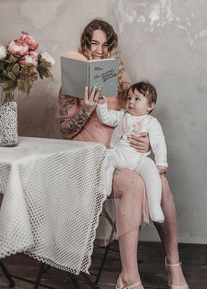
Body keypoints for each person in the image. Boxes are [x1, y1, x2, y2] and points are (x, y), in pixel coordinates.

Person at [57, 18, 189, 289]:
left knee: (161, 183)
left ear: (111, 48)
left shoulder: (122, 82)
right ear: (85, 44)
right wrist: (87, 107)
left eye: (105, 45)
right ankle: (128, 277)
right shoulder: (72, 84)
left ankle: (174, 264)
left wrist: (146, 144)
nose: (99, 50)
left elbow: (139, 119)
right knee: (133, 184)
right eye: (94, 43)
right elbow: (66, 130)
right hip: (91, 159)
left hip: (124, 154)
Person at [97, 81, 167, 223]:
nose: (130, 102)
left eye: (137, 99)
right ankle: (105, 188)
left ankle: (154, 207)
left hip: (138, 158)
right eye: (129, 98)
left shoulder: (151, 122)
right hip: (119, 153)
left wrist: (161, 162)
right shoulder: (122, 115)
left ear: (150, 106)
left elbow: (159, 143)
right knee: (107, 159)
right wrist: (102, 105)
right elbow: (105, 118)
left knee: (152, 172)